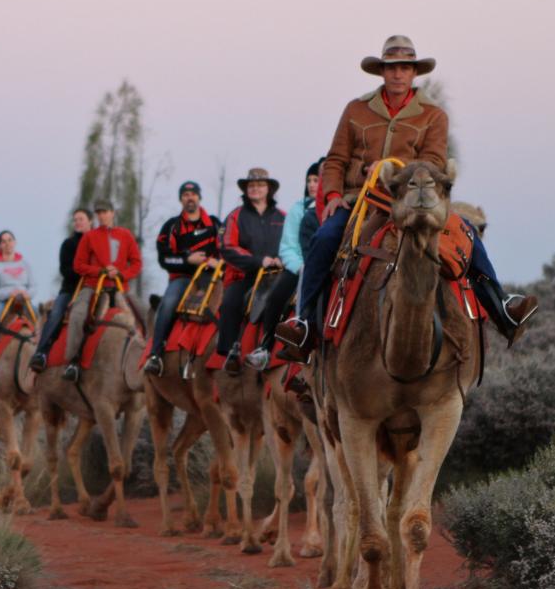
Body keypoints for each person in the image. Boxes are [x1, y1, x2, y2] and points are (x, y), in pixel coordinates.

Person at [277, 35, 537, 359]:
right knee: (324, 239)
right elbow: (335, 159)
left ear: (414, 72)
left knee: (466, 232)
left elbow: (435, 163)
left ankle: (502, 309)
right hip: (359, 200)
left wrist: (393, 171)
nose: (398, 74)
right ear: (382, 72)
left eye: (405, 67)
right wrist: (332, 193)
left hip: (409, 200)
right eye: (392, 67)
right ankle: (303, 325)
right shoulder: (356, 110)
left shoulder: (433, 115)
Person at [245, 160, 321, 371]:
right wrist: (301, 267)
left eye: (317, 179)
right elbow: (288, 246)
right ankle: (265, 348)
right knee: (275, 297)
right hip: (300, 267)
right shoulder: (298, 209)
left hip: (326, 267)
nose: (313, 184)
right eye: (310, 180)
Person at [144, 180, 222, 375]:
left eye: (193, 194)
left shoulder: (214, 224)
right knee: (169, 303)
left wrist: (217, 262)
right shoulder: (171, 226)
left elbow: (226, 247)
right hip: (183, 278)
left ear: (199, 197)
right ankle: (156, 354)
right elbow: (164, 258)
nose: (190, 198)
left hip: (212, 276)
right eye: (186, 195)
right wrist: (189, 260)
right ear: (181, 199)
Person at [217, 168, 287, 376]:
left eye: (260, 185)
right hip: (244, 275)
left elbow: (291, 243)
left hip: (277, 275)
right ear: (246, 190)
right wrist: (258, 261)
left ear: (269, 189)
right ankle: (230, 352)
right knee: (230, 303)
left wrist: (282, 260)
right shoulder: (235, 216)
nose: (255, 189)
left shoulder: (282, 216)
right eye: (251, 186)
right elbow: (227, 246)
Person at [63, 199, 141, 382]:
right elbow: (78, 265)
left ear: (113, 213)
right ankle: (72, 362)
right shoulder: (89, 237)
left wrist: (121, 273)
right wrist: (101, 271)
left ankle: (151, 356)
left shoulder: (126, 235)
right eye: (98, 213)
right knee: (77, 315)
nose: (102, 216)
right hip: (93, 287)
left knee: (146, 313)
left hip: (121, 288)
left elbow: (137, 264)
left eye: (105, 212)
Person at [30, 208, 92, 372]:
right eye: (76, 220)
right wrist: (84, 272)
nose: (78, 222)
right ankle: (41, 352)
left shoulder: (96, 242)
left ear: (90, 222)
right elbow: (65, 270)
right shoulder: (68, 244)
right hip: (71, 289)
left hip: (95, 288)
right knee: (57, 312)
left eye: (81, 219)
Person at [0, 230, 36, 374]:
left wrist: (27, 294)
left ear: (15, 242)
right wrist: (9, 293)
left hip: (23, 300)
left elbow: (34, 285)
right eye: (4, 241)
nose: (7, 244)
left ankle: (40, 354)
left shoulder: (24, 263)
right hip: (2, 301)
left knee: (40, 319)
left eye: (10, 240)